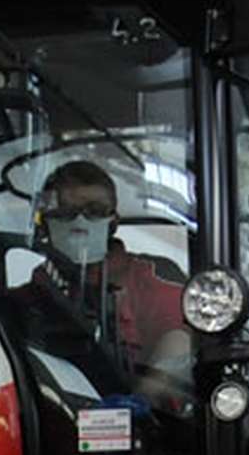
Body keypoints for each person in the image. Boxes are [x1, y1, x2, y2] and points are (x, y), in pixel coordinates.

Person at [35, 157, 190, 396]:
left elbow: (181, 338)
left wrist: (144, 403)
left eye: (94, 212)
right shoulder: (34, 291)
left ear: (113, 222)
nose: (80, 221)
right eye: (66, 212)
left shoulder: (149, 276)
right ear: (45, 222)